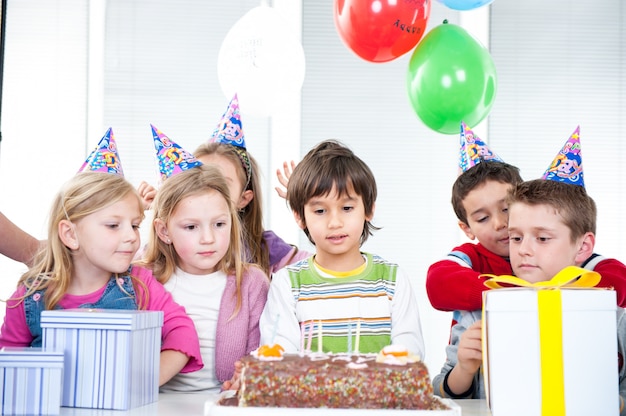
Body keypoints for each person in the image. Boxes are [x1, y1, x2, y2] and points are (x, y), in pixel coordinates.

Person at [432, 179, 626, 414]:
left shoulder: (612, 315)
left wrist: (603, 400)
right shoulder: (479, 314)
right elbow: (441, 394)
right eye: (516, 238)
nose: (523, 249)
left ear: (583, 247)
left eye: (542, 238)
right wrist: (464, 368)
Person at [0, 172, 203, 386]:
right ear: (70, 234)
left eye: (134, 225)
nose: (132, 236)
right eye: (113, 225)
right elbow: (7, 364)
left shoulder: (139, 284)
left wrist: (151, 378)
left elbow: (182, 330)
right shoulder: (29, 299)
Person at [426, 126, 626, 318]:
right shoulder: (471, 257)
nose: (500, 223)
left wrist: (563, 289)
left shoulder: (568, 255)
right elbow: (438, 281)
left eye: (506, 209)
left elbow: (619, 278)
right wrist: (516, 292)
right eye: (483, 218)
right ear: (467, 228)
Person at [259, 139, 425, 357]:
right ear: (300, 217)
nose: (334, 222)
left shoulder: (392, 281)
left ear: (369, 209)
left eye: (347, 208)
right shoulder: (288, 284)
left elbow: (410, 354)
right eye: (320, 211)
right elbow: (279, 358)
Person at [138, 159, 270, 392]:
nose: (208, 238)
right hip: (156, 404)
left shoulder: (251, 282)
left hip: (224, 404)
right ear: (164, 231)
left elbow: (260, 350)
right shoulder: (144, 280)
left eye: (219, 224)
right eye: (191, 227)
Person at [138, 96, 309, 276]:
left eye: (221, 183)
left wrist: (310, 208)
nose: (208, 189)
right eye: (198, 180)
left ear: (244, 199)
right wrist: (138, 212)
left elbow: (322, 267)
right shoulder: (169, 244)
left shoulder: (265, 247)